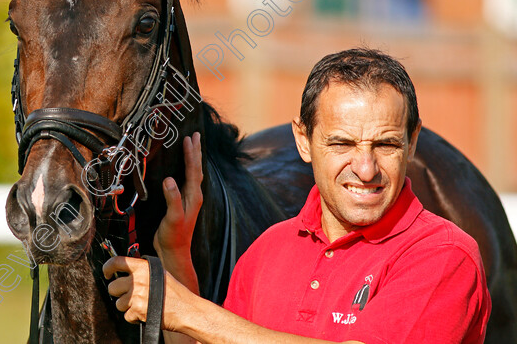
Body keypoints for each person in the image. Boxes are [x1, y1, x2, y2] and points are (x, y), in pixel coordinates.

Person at [104, 48, 491, 343]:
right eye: (341, 143)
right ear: (303, 141)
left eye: (386, 145)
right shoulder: (266, 250)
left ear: (412, 142)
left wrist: (190, 311)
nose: (366, 168)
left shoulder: (444, 255)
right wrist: (174, 257)